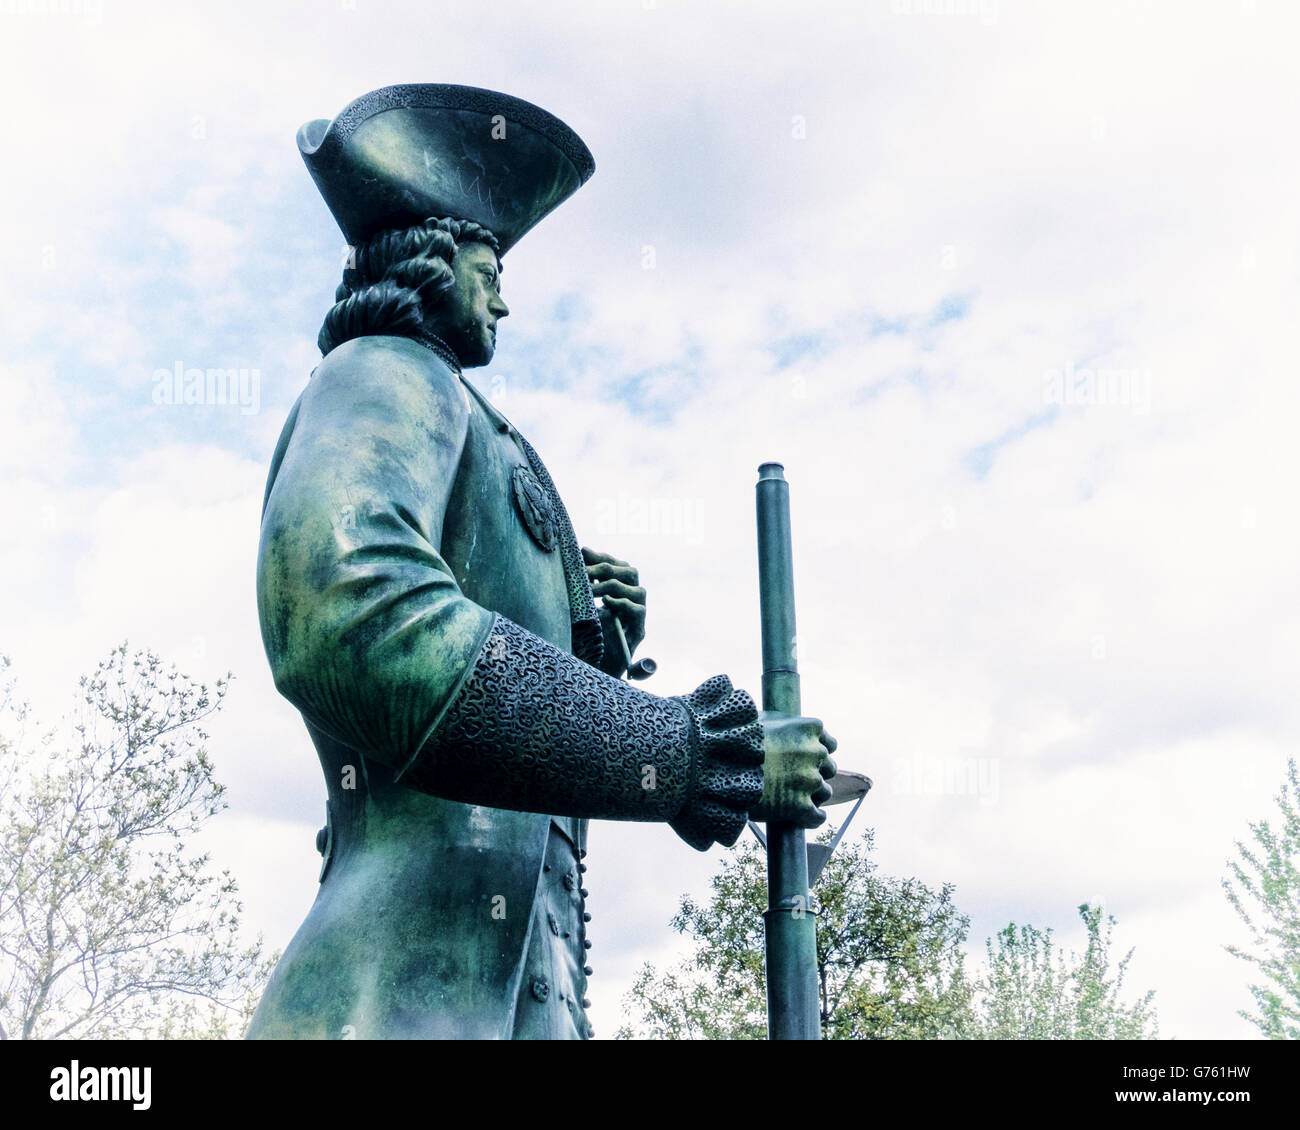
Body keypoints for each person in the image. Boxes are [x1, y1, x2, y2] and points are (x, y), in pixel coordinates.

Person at [247, 84, 836, 1040]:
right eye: (490, 265)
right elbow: (353, 617)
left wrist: (579, 633)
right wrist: (689, 754)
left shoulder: (462, 412)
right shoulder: (384, 371)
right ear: (437, 261)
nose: (505, 296)